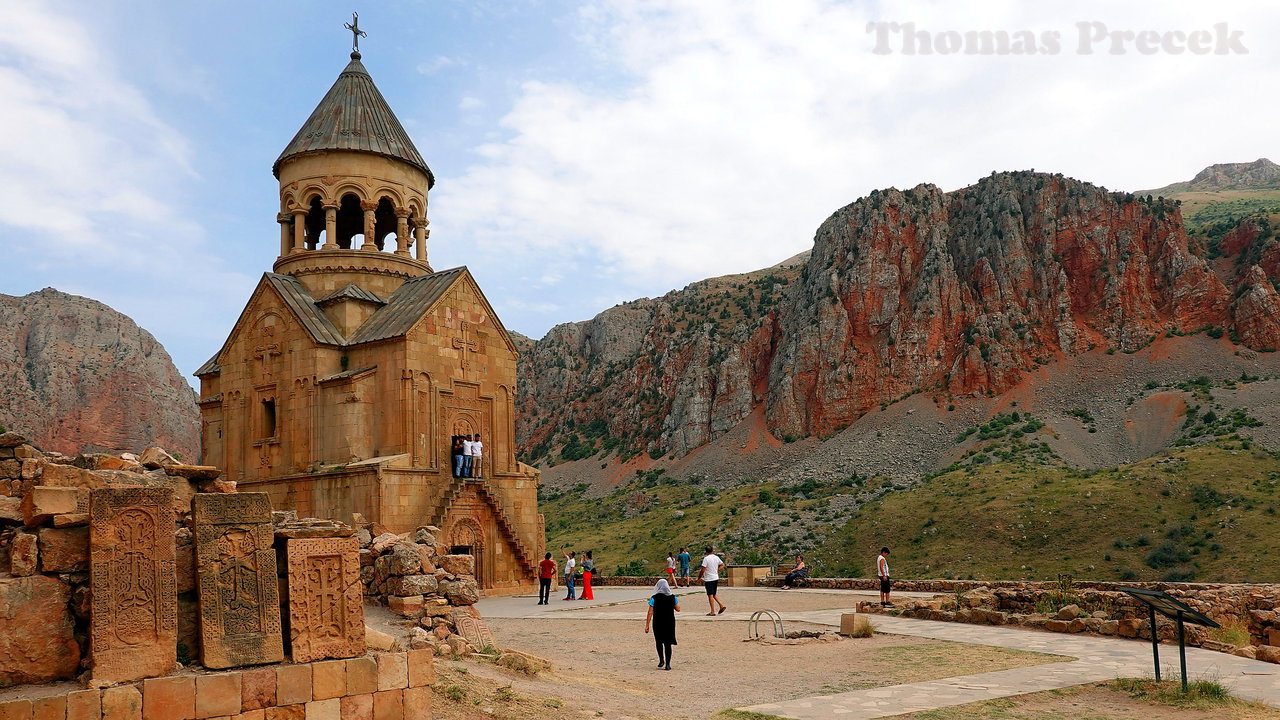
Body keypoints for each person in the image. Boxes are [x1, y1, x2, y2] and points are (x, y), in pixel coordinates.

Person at [644, 579, 680, 670]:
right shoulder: (672, 597)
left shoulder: (654, 598)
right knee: (668, 643)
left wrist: (647, 625)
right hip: (669, 622)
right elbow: (678, 609)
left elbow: (650, 612)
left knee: (659, 641)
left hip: (658, 622)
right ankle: (668, 664)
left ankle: (661, 660)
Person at [697, 546, 726, 616]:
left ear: (706, 551)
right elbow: (722, 565)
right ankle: (721, 605)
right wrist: (717, 570)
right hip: (715, 577)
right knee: (714, 594)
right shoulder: (716, 557)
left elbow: (703, 569)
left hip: (709, 579)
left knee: (710, 595)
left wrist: (699, 577)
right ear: (712, 550)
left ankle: (712, 611)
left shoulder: (706, 559)